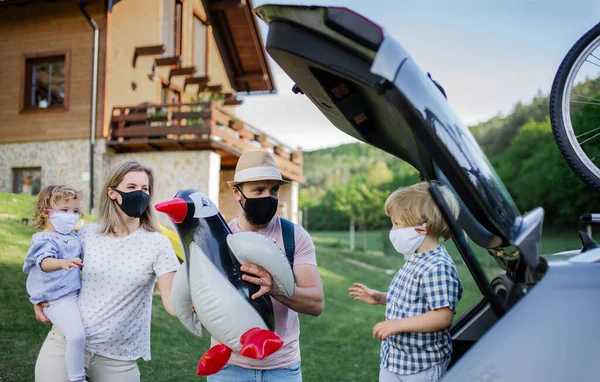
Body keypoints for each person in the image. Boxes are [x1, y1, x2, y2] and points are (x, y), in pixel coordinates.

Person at [33, 161, 181, 382]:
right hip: (64, 346)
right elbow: (50, 267)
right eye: (131, 187)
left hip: (118, 361)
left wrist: (201, 304)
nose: (139, 194)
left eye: (145, 189)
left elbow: (173, 304)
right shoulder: (87, 235)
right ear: (112, 193)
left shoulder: (158, 244)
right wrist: (38, 298)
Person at [208, 150, 324, 382]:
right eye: (258, 190)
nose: (268, 198)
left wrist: (275, 288)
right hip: (229, 366)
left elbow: (316, 303)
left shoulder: (294, 236)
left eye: (274, 190)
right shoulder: (219, 239)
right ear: (236, 192)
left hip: (283, 367)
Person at [349, 182, 463, 382]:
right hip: (396, 359)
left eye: (397, 223)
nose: (392, 230)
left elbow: (442, 316)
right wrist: (382, 297)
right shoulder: (417, 257)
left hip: (421, 366)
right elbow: (413, 301)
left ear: (421, 228)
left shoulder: (437, 267)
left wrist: (398, 325)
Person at [24, 185, 86, 382]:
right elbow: (44, 262)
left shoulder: (72, 237)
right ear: (46, 212)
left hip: (72, 295)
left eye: (75, 211)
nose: (71, 215)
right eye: (65, 210)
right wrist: (63, 263)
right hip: (55, 299)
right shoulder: (44, 239)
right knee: (76, 335)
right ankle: (77, 378)